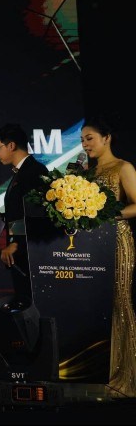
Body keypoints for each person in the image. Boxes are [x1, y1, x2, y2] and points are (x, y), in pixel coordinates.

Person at [81, 116, 136, 398]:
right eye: (82, 140)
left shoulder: (123, 167)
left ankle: (123, 379)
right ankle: (99, 374)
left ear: (107, 138)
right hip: (92, 245)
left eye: (89, 138)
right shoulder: (87, 174)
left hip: (116, 242)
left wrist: (108, 216)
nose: (85, 144)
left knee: (118, 303)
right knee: (96, 307)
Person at [0, 123, 48, 305]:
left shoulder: (34, 171)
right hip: (20, 256)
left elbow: (37, 215)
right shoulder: (22, 172)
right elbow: (20, 211)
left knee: (32, 305)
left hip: (30, 254)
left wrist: (16, 244)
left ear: (11, 146)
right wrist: (2, 218)